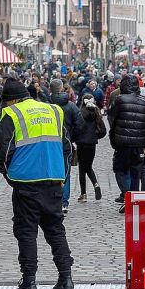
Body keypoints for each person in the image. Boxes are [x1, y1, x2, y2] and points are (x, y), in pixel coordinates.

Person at [0, 79, 75, 289]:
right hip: (53, 180)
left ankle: (29, 283)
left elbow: (2, 152)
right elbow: (67, 148)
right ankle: (66, 279)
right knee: (56, 230)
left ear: (12, 101)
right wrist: (62, 176)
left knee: (26, 233)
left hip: (26, 183)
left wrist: (10, 176)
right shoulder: (54, 111)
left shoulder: (13, 114)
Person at [107, 76, 145, 209]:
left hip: (122, 143)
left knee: (119, 169)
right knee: (136, 171)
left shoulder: (119, 100)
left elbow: (112, 118)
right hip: (139, 144)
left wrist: (114, 137)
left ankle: (127, 195)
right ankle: (134, 199)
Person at [48, 79, 80, 213]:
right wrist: (72, 137)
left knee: (50, 170)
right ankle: (64, 202)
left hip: (49, 142)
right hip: (66, 141)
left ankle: (51, 199)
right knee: (65, 171)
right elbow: (79, 124)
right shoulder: (71, 106)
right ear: (61, 89)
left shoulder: (46, 105)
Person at [72, 90, 105, 202]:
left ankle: (84, 194)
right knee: (88, 166)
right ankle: (95, 184)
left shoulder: (80, 113)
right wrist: (95, 136)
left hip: (81, 143)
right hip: (92, 144)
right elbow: (103, 131)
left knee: (82, 168)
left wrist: (74, 138)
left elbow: (76, 128)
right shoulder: (97, 113)